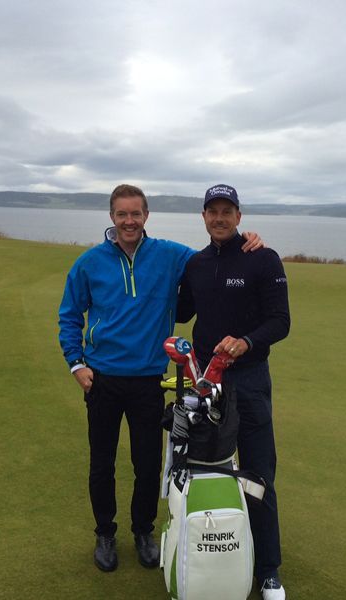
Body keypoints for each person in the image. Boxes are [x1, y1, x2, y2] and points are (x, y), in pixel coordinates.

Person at [57, 183, 262, 573]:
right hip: (101, 380)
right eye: (122, 214)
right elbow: (70, 315)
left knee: (148, 464)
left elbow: (214, 258)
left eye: (136, 214)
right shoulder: (89, 263)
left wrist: (245, 241)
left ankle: (142, 531)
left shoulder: (170, 255)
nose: (129, 221)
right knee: (101, 463)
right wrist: (76, 363)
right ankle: (104, 533)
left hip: (147, 380)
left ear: (146, 216)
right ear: (112, 217)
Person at [176, 184, 290, 600]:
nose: (219, 218)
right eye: (212, 211)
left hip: (249, 381)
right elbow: (181, 311)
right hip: (205, 382)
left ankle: (269, 570)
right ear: (203, 217)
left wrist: (246, 341)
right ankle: (206, 552)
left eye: (227, 211)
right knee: (204, 468)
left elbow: (281, 321)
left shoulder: (262, 258)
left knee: (259, 472)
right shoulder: (197, 264)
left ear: (239, 217)